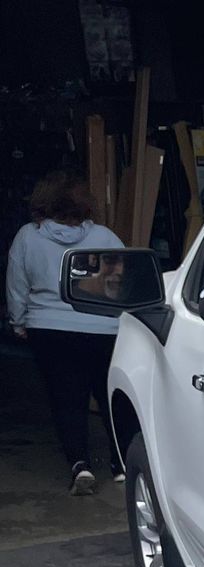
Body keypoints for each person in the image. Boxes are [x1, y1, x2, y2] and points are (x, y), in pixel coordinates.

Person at [6, 175, 124, 496]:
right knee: (108, 394)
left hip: (50, 330)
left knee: (66, 399)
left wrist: (19, 322)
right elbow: (122, 286)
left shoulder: (28, 237)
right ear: (85, 204)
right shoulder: (105, 236)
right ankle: (121, 464)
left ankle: (80, 466)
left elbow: (17, 286)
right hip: (103, 330)